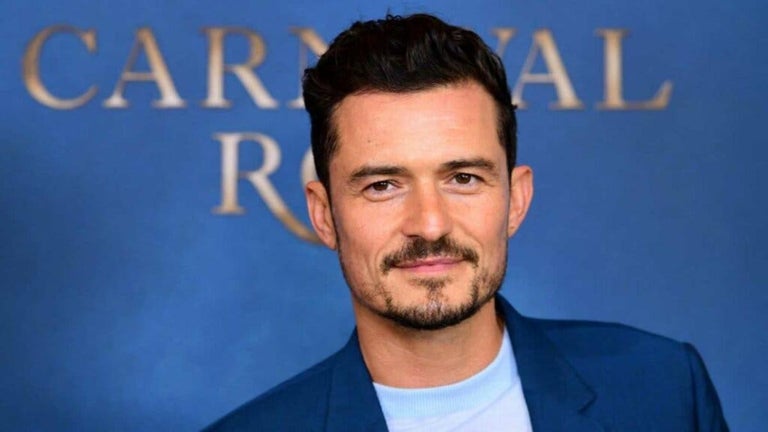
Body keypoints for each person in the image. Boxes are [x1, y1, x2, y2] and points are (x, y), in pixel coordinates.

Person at [204, 13, 728, 431]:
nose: (430, 225)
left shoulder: (663, 388)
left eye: (463, 178)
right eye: (383, 185)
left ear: (516, 200)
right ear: (324, 215)